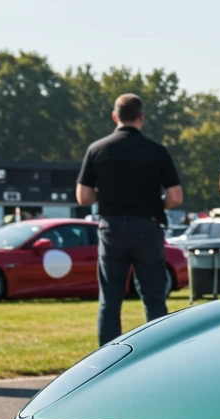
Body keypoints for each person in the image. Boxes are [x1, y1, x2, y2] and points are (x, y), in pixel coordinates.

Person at [77, 94, 184, 346]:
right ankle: (159, 353)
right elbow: (176, 197)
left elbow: (83, 196)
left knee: (110, 301)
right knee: (154, 298)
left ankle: (106, 361)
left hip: (111, 228)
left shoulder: (98, 149)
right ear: (141, 118)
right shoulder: (156, 151)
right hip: (147, 227)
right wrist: (157, 202)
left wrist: (103, 193)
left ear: (115, 117)